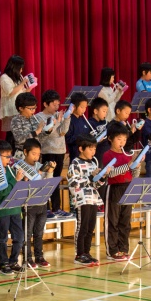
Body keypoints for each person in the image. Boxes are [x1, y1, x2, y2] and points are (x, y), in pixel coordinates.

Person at [103, 124, 144, 261]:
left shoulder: (127, 155)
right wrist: (129, 165)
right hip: (114, 188)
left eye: (124, 140)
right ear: (110, 139)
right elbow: (112, 174)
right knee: (112, 221)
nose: (122, 143)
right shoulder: (107, 155)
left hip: (128, 187)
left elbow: (134, 175)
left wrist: (137, 166)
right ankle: (112, 251)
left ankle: (123, 249)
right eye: (119, 139)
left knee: (125, 222)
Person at [68, 135, 109, 265]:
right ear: (81, 149)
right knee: (82, 226)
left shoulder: (93, 163)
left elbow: (95, 185)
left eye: (94, 149)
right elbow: (73, 182)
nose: (93, 152)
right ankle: (79, 254)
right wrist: (90, 178)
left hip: (93, 199)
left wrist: (102, 178)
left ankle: (87, 252)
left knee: (90, 227)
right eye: (90, 149)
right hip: (82, 199)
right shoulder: (75, 163)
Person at [0, 140, 24, 275]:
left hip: (15, 208)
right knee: (3, 237)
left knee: (19, 237)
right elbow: (1, 191)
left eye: (10, 156)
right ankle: (3, 263)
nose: (9, 159)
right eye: (6, 156)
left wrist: (21, 181)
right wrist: (16, 180)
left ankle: (13, 261)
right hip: (2, 209)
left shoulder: (10, 169)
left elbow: (14, 189)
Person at [20, 138, 55, 268]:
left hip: (42, 203)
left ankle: (39, 256)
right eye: (33, 154)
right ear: (25, 152)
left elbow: (48, 184)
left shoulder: (40, 167)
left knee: (39, 233)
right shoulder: (20, 167)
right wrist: (39, 173)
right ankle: (27, 258)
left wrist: (49, 172)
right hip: (29, 205)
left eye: (38, 154)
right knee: (27, 233)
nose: (36, 157)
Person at [36, 89, 71, 218]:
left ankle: (56, 207)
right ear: (45, 104)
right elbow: (45, 134)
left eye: (58, 104)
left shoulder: (58, 115)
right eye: (54, 104)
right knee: (46, 179)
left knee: (56, 180)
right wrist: (55, 122)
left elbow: (62, 132)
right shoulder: (39, 117)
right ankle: (46, 208)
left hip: (60, 151)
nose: (57, 107)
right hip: (47, 151)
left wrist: (66, 119)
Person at [0, 55, 31, 149]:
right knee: (11, 134)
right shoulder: (4, 77)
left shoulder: (18, 77)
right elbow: (10, 92)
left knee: (19, 135)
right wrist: (22, 84)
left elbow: (20, 92)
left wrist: (29, 88)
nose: (21, 70)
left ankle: (17, 156)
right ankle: (8, 156)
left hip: (19, 109)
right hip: (10, 110)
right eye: (20, 68)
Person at [10, 92, 47, 158]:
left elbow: (40, 138)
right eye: (31, 109)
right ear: (21, 108)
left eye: (35, 108)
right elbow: (19, 139)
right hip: (22, 155)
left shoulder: (35, 118)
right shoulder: (16, 120)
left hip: (36, 154)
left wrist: (47, 131)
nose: (33, 111)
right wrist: (36, 132)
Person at [65, 92, 92, 163]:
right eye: (81, 107)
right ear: (74, 106)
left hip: (86, 152)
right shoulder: (69, 120)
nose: (84, 110)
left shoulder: (83, 120)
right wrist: (81, 137)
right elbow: (69, 139)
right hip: (75, 153)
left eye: (85, 107)